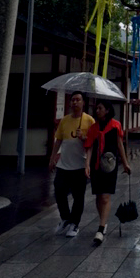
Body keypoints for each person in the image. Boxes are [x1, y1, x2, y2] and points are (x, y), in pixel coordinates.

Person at [49, 91, 95, 238]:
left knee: (78, 195)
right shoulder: (65, 120)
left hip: (80, 165)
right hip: (63, 164)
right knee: (59, 190)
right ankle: (65, 218)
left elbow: (94, 142)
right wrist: (52, 158)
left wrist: (84, 137)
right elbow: (58, 140)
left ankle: (74, 223)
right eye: (73, 100)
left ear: (83, 103)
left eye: (78, 100)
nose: (75, 102)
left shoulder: (89, 120)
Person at [84, 102, 131, 245]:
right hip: (96, 165)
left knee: (105, 197)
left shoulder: (115, 125)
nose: (97, 111)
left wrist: (125, 163)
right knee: (98, 196)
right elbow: (90, 147)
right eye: (96, 108)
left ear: (107, 110)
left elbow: (119, 145)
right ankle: (102, 221)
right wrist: (87, 165)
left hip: (110, 165)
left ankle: (101, 228)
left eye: (100, 108)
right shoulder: (93, 128)